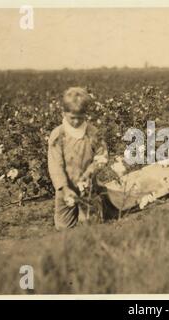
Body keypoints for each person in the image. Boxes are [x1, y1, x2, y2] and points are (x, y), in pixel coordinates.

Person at [48, 87, 109, 230]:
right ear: (63, 113)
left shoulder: (92, 133)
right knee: (63, 226)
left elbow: (102, 156)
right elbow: (55, 165)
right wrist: (63, 187)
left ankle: (101, 204)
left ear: (86, 115)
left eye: (80, 118)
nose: (76, 122)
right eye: (72, 118)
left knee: (90, 224)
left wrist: (90, 172)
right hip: (66, 188)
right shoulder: (58, 135)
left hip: (88, 186)